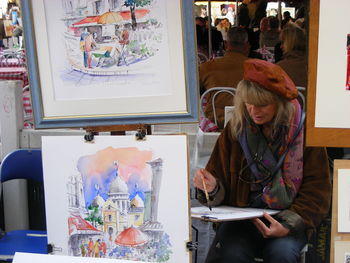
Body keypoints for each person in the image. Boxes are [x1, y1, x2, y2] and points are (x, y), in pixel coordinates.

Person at [193, 59, 331, 263]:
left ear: (280, 102)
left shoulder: (305, 133)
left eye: (262, 105)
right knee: (231, 254)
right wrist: (212, 188)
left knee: (282, 255)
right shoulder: (235, 130)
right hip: (242, 219)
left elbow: (317, 192)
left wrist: (288, 224)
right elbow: (217, 183)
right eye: (248, 103)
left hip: (289, 216)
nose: (253, 111)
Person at [199, 27, 250, 130]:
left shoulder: (207, 67)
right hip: (245, 119)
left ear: (226, 44)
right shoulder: (254, 67)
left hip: (214, 121)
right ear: (246, 46)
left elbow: (192, 90)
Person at [277, 23, 307, 90]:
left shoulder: (280, 68)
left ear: (289, 42)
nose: (281, 46)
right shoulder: (313, 65)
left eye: (283, 42)